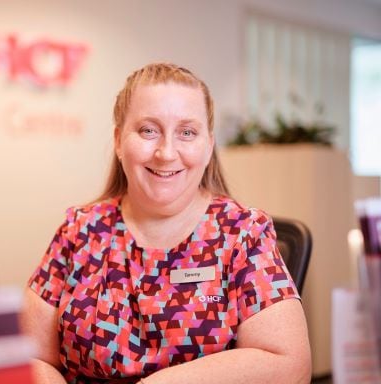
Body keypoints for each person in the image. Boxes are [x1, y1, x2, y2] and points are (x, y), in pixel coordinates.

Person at [21, 62, 311, 384]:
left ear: (208, 145)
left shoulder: (243, 234)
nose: (166, 152)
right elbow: (31, 357)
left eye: (187, 133)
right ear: (118, 141)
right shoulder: (79, 230)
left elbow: (288, 364)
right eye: (148, 130)